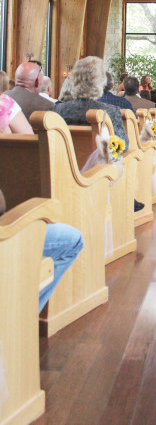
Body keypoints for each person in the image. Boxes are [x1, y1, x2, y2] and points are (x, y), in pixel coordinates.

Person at [0, 100, 84, 314]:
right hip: (6, 229)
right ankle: (20, 321)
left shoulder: (58, 108)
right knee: (72, 239)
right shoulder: (10, 105)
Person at [55, 56, 129, 150]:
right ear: (101, 82)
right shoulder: (111, 111)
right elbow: (123, 146)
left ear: (74, 79)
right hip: (99, 163)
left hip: (64, 163)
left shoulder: (57, 109)